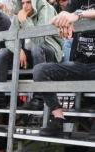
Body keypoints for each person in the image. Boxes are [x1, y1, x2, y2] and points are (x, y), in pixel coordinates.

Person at [31, 2, 95, 137]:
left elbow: (74, 14)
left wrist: (77, 15)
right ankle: (58, 117)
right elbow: (56, 19)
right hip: (79, 64)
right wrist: (61, 20)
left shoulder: (78, 10)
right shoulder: (76, 2)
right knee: (40, 70)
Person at [0, 0, 63, 110]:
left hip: (49, 50)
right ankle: (0, 98)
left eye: (28, 2)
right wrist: (18, 51)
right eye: (23, 3)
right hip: (31, 54)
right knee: (2, 53)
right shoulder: (21, 12)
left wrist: (25, 20)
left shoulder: (46, 8)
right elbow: (9, 39)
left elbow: (39, 40)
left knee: (36, 48)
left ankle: (39, 98)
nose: (25, 6)